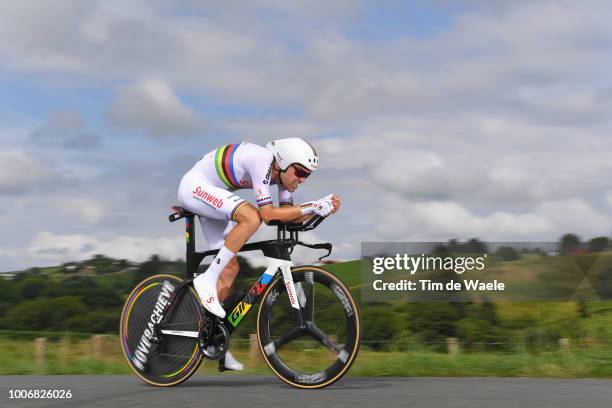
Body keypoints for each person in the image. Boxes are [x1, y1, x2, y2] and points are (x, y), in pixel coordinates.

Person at [177, 138, 340, 370]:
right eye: (300, 172)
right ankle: (206, 279)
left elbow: (287, 216)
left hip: (213, 193)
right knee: (251, 217)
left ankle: (215, 341)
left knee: (231, 270)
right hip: (195, 187)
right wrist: (311, 206)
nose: (301, 180)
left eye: (307, 175)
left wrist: (321, 210)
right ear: (284, 163)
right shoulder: (261, 160)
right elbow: (268, 216)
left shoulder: (282, 176)